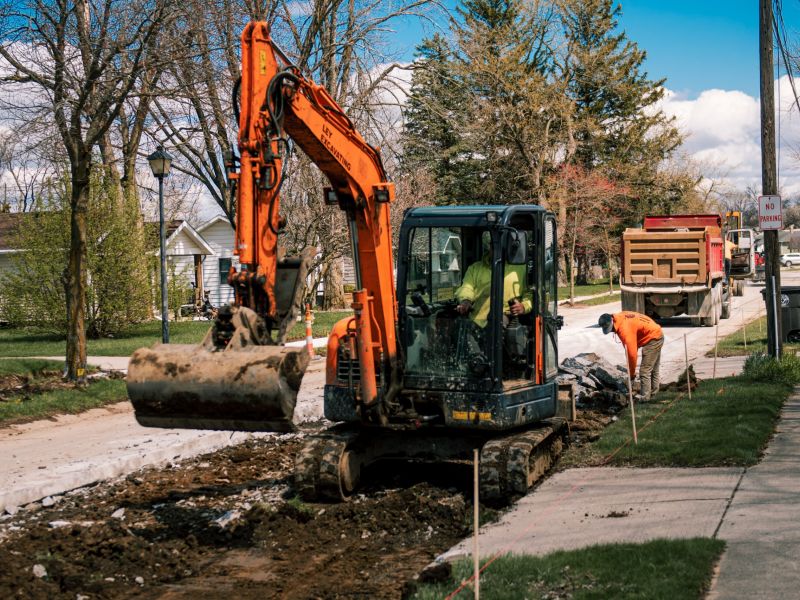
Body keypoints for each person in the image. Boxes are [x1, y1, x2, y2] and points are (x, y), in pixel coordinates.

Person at [455, 243, 533, 327]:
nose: (497, 250)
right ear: (490, 247)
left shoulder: (520, 269)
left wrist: (523, 306)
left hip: (505, 320)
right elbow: (467, 287)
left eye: (501, 246)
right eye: (494, 246)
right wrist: (466, 300)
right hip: (476, 322)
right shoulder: (475, 268)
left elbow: (529, 293)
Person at [598, 311, 664, 401]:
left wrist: (632, 375)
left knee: (645, 371)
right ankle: (654, 394)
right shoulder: (619, 317)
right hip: (655, 332)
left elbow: (632, 355)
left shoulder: (625, 330)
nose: (611, 331)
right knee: (652, 368)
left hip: (653, 338)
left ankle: (645, 399)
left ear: (612, 321)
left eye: (611, 328)